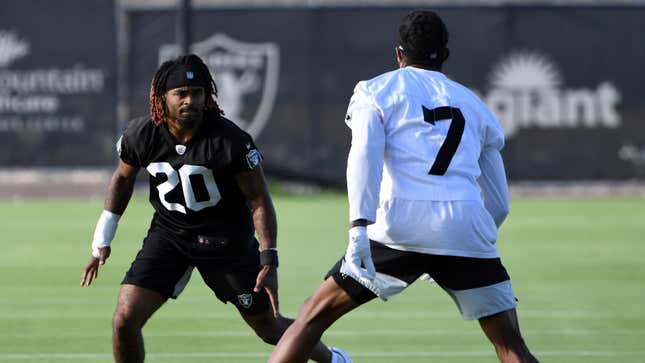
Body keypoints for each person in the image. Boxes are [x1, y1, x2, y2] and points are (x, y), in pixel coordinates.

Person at [269, 10, 539, 363]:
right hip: (465, 228)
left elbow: (363, 155)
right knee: (510, 345)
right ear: (445, 54)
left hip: (397, 229)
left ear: (399, 53)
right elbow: (499, 203)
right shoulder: (476, 105)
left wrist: (358, 229)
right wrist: (464, 244)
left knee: (310, 319)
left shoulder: (375, 91)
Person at [79, 54, 351, 363]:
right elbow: (123, 180)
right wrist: (103, 236)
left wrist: (269, 258)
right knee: (124, 320)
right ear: (161, 98)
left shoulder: (229, 139)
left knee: (268, 326)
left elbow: (259, 198)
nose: (190, 101)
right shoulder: (142, 134)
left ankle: (335, 360)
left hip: (226, 242)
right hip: (170, 235)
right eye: (180, 93)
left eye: (197, 93)